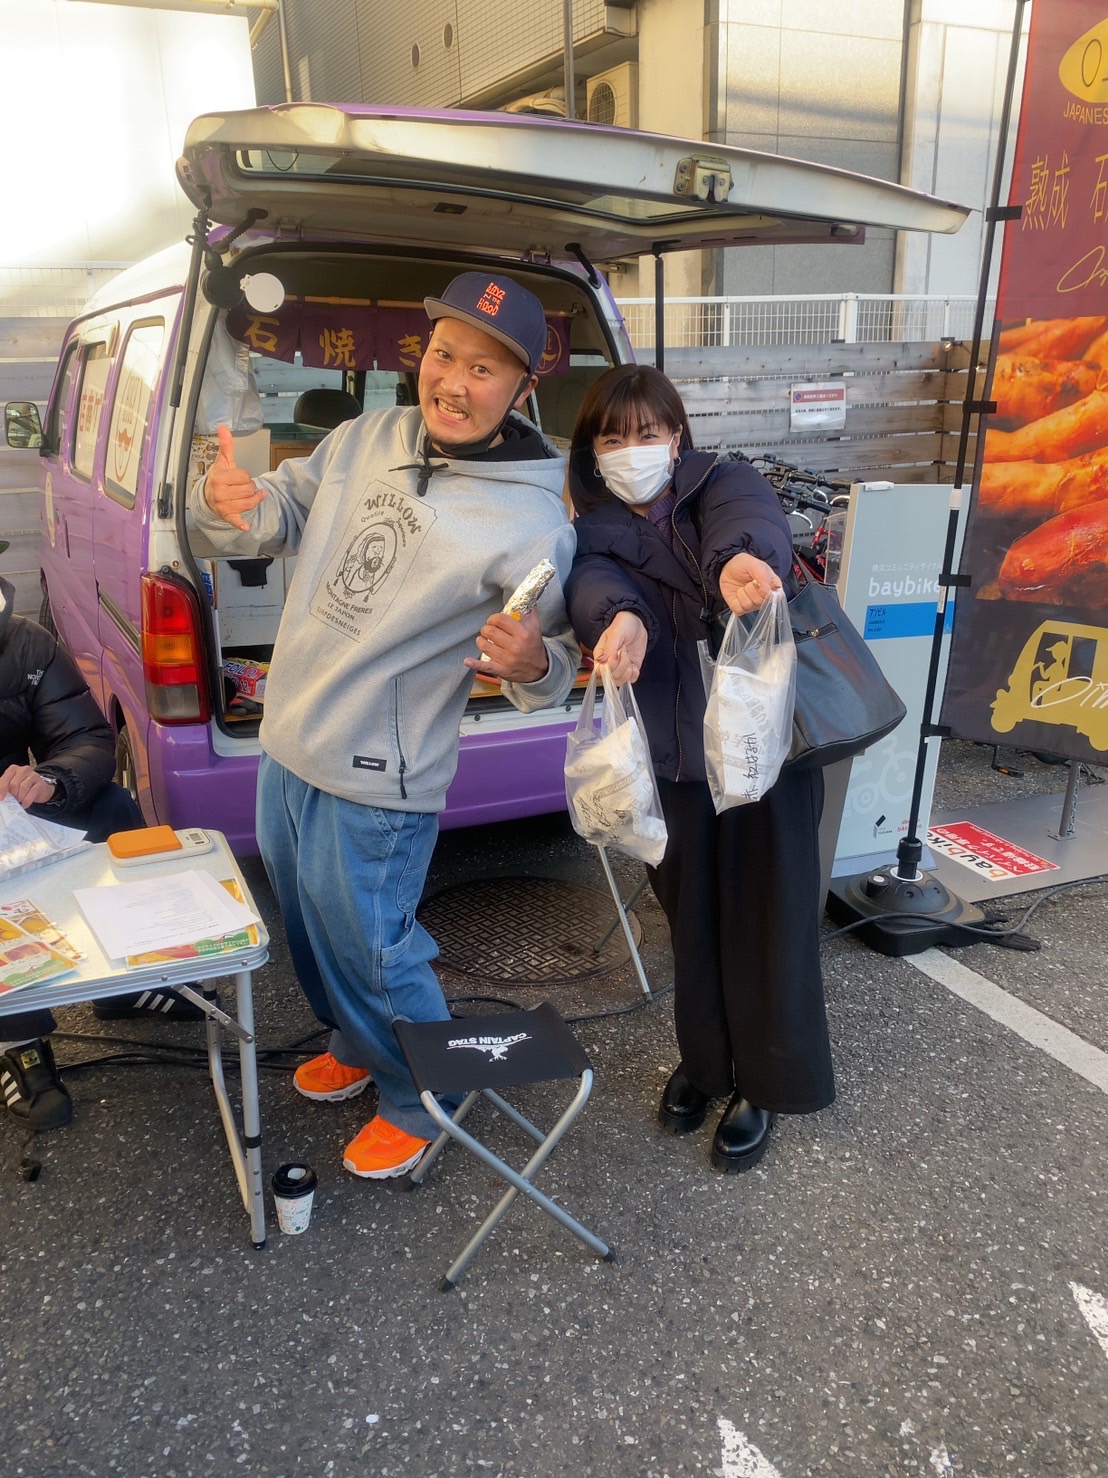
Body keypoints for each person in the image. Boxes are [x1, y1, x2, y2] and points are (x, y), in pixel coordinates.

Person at [187, 272, 578, 1180]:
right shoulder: (367, 435)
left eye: (485, 368)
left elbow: (551, 663)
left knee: (376, 945)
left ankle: (420, 1095)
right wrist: (234, 500)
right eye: (444, 354)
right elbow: (276, 515)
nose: (454, 381)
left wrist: (534, 665)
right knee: (314, 935)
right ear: (423, 353)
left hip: (379, 775)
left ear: (521, 389)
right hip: (288, 743)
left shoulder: (534, 519)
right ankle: (359, 1045)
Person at [563, 364, 834, 1172]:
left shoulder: (724, 481)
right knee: (694, 922)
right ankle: (706, 1066)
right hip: (676, 759)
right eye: (613, 438)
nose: (631, 450)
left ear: (677, 436)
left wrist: (736, 568)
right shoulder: (586, 528)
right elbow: (595, 584)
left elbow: (745, 523)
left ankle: (769, 1083)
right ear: (592, 450)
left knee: (770, 920)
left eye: (647, 433)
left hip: (761, 753)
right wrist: (618, 623)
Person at [0, 554, 207, 1133]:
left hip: (14, 806)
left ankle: (130, 978)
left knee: (115, 809)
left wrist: (50, 779)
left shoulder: (26, 643)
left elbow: (87, 735)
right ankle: (21, 1039)